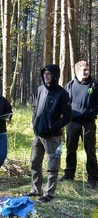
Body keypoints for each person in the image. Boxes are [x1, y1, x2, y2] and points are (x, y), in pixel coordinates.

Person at [26, 64, 71, 203]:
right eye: (44, 73)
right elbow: (35, 108)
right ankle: (36, 189)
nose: (46, 76)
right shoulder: (40, 90)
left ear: (55, 76)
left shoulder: (62, 93)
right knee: (35, 162)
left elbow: (67, 116)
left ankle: (49, 194)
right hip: (38, 134)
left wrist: (52, 128)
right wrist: (35, 124)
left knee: (52, 166)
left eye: (49, 74)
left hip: (53, 136)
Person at [59, 61, 98, 189]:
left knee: (90, 150)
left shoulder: (94, 86)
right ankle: (69, 174)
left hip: (88, 123)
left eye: (87, 69)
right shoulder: (69, 86)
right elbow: (63, 103)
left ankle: (92, 178)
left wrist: (91, 112)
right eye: (83, 70)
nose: (86, 72)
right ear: (76, 71)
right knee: (71, 149)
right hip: (72, 123)